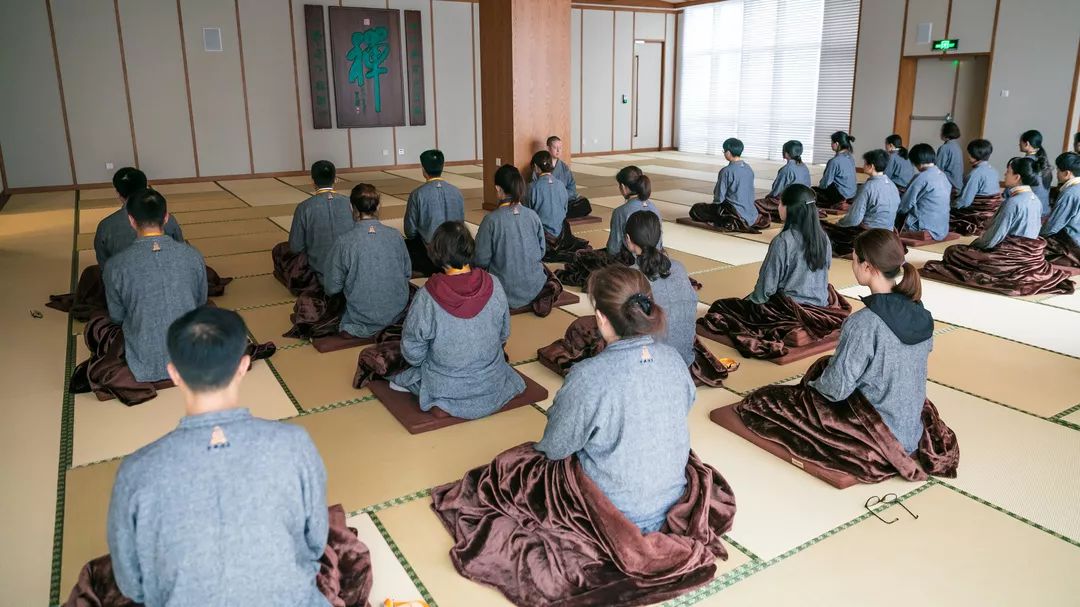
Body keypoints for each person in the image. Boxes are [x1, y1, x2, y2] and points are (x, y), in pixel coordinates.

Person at [429, 269, 736, 606]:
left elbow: (556, 446)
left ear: (602, 319)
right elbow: (686, 404)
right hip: (672, 496)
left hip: (615, 509)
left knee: (515, 468)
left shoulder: (590, 375)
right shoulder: (674, 359)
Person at [105, 307, 334, 606]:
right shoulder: (294, 444)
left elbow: (132, 583)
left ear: (173, 373)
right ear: (243, 366)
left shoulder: (136, 470)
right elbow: (316, 542)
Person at [727, 229, 958, 483]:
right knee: (825, 365)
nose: (852, 264)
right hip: (909, 424)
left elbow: (836, 390)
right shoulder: (921, 312)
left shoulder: (864, 323)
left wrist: (812, 387)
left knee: (766, 401)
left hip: (875, 430)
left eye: (854, 259)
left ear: (867, 266)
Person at [538, 212, 732, 387]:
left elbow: (621, 325)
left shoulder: (631, 277)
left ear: (628, 240)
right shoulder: (679, 267)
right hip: (682, 358)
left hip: (645, 363)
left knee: (582, 326)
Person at [46, 168, 230, 321]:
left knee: (93, 276)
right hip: (175, 289)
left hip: (131, 294)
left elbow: (106, 272)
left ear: (118, 194)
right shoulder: (189, 252)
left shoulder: (106, 229)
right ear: (164, 217)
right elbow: (180, 252)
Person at [389, 221, 526, 419]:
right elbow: (504, 334)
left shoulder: (428, 295)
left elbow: (412, 350)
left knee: (396, 377)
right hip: (491, 378)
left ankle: (447, 399)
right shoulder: (493, 283)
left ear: (436, 252)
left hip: (447, 383)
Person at [698, 184, 851, 360]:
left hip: (790, 308)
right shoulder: (823, 237)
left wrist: (751, 303)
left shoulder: (784, 240)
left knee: (722, 307)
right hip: (820, 303)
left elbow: (767, 287)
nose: (778, 207)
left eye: (781, 203)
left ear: (791, 208)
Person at [922, 157, 1075, 296]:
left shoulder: (1013, 202)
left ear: (1017, 177)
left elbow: (993, 238)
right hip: (1030, 257)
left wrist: (974, 246)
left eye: (1008, 172)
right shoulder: (1034, 199)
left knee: (953, 252)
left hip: (1007, 257)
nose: (1004, 174)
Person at [322, 184, 412, 339]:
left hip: (361, 317)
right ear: (378, 206)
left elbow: (332, 287)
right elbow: (407, 274)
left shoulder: (344, 242)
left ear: (351, 207)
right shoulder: (396, 236)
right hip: (397, 314)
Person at [474, 165, 564, 315]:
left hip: (503, 290)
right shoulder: (533, 215)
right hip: (534, 287)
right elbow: (541, 251)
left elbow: (480, 260)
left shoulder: (491, 220)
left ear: (498, 189)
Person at [555, 166, 661, 288]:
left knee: (581, 256)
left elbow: (613, 249)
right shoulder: (655, 209)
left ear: (623, 187)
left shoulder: (621, 211)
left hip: (630, 260)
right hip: (654, 259)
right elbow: (659, 243)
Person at [271, 160, 353, 295]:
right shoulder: (350, 203)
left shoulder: (305, 207)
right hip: (349, 269)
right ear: (336, 179)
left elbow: (296, 247)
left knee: (280, 250)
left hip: (321, 271)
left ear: (313, 181)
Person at [822, 149, 901, 257]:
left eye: (865, 163)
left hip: (868, 232)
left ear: (871, 166)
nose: (863, 165)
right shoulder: (892, 185)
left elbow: (854, 219)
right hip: (888, 232)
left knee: (825, 228)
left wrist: (839, 223)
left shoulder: (868, 187)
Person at [403, 149, 466, 276]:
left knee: (404, 243)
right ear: (442, 167)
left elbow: (410, 231)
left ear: (423, 169)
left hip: (430, 255)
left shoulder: (418, 194)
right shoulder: (456, 192)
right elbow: (461, 224)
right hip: (455, 252)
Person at [689, 137, 770, 231]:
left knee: (696, 209)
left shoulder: (726, 171)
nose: (724, 153)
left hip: (734, 212)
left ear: (728, 152)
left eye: (724, 151)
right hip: (751, 212)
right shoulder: (749, 169)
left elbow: (719, 198)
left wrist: (714, 208)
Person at [527, 150, 590, 263]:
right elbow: (565, 209)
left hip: (544, 234)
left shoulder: (532, 187)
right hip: (561, 234)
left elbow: (528, 213)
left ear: (536, 167)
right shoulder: (560, 185)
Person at [897, 143, 951, 241]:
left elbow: (905, 205)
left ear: (917, 162)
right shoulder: (943, 176)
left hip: (924, 227)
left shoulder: (922, 177)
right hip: (942, 227)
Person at [950, 138, 1003, 235]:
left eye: (969, 153)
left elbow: (965, 202)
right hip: (993, 214)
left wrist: (950, 205)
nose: (967, 156)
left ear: (975, 155)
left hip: (978, 215)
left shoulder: (975, 174)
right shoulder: (993, 171)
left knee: (945, 215)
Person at [755, 140, 812, 222]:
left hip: (791, 202)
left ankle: (783, 215)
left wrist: (769, 197)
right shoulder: (804, 166)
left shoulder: (786, 169)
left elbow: (776, 190)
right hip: (805, 199)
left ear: (786, 153)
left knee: (757, 203)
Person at [1042, 152, 1080, 268]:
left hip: (1073, 243)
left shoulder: (1069, 193)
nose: (1057, 173)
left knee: (1028, 250)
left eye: (1058, 170)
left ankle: (1070, 261)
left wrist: (1038, 236)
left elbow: (1054, 225)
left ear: (1067, 173)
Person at [543, 135, 592, 218]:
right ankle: (558, 213)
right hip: (547, 201)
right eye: (555, 147)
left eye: (560, 148)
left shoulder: (564, 167)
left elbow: (572, 188)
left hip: (563, 200)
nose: (558, 150)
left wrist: (562, 195)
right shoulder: (541, 165)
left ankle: (558, 213)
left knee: (584, 203)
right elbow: (535, 186)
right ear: (548, 148)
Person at [815, 131, 858, 210]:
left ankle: (835, 205)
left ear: (837, 144)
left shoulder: (834, 161)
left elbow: (825, 183)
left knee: (813, 191)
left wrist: (819, 189)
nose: (831, 144)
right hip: (852, 194)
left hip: (841, 196)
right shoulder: (850, 157)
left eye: (832, 142)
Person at [1019, 129, 1054, 216]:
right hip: (1045, 210)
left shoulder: (1025, 162)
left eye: (1020, 142)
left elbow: (1014, 187)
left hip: (1030, 212)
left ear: (1026, 144)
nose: (1019, 144)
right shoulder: (1043, 161)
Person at [936, 121, 964, 193]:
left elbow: (938, 169)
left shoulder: (945, 147)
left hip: (950, 185)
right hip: (958, 184)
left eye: (941, 131)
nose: (940, 133)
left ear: (946, 132)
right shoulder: (957, 146)